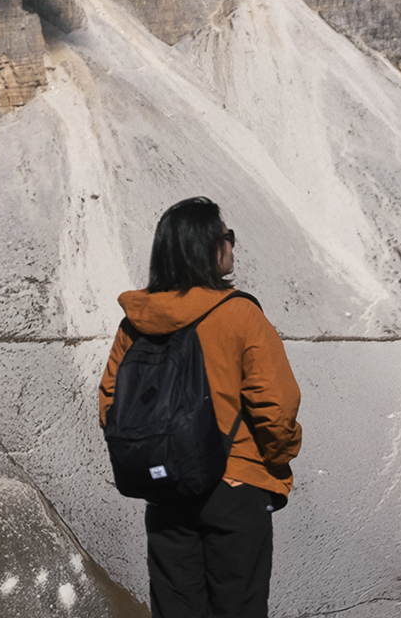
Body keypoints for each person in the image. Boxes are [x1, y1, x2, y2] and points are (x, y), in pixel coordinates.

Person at [97, 196, 303, 617]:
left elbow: (110, 407)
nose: (232, 245)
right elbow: (276, 407)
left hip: (166, 491)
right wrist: (271, 464)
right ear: (209, 247)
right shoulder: (240, 315)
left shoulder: (135, 323)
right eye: (227, 237)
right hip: (234, 487)